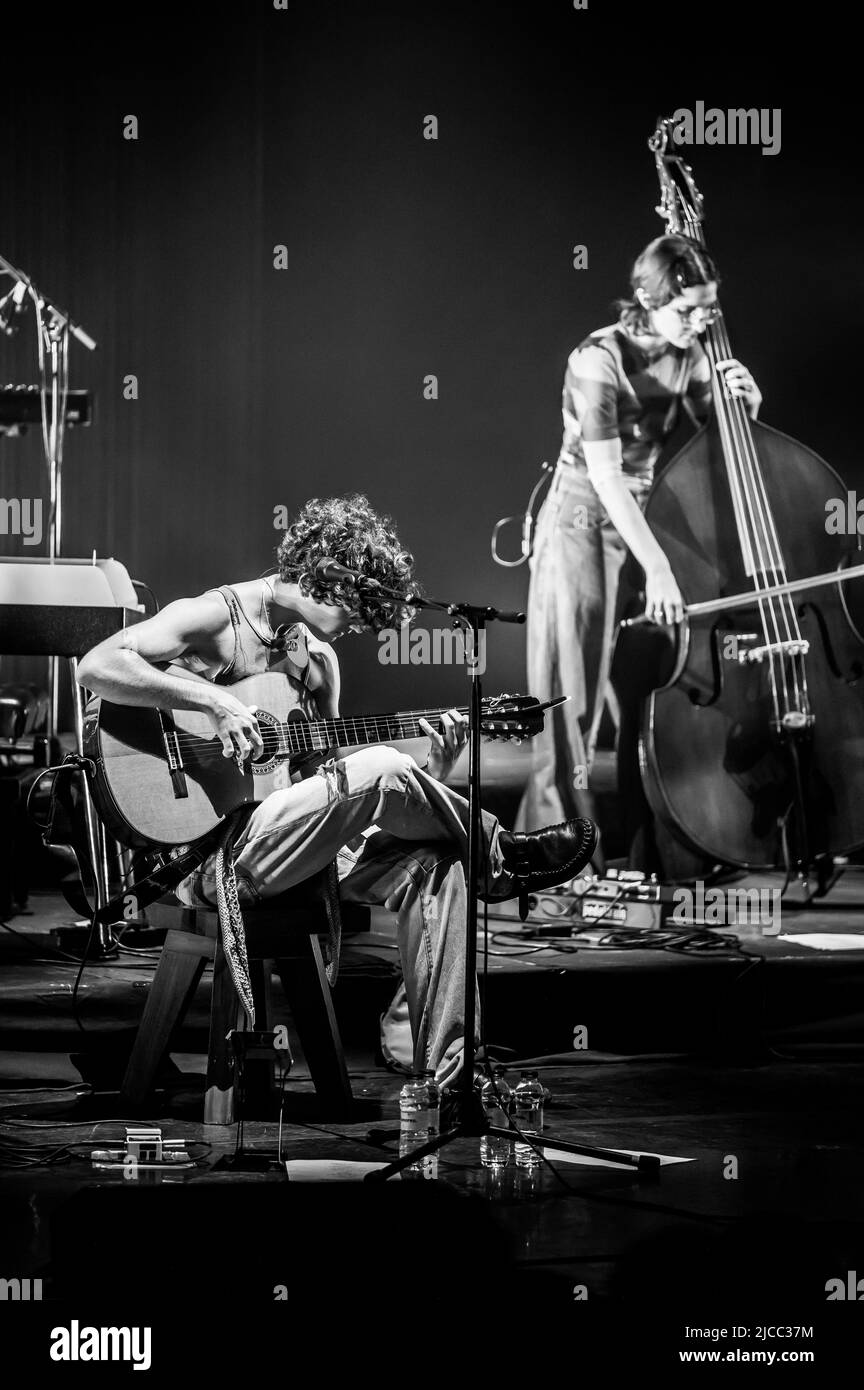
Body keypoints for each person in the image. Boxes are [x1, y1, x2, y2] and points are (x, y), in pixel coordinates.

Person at [77, 494, 598, 1088]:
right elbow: (95, 666)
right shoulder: (214, 617)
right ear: (325, 581)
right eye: (354, 613)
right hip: (209, 854)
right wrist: (215, 702)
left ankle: (444, 1076)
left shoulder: (318, 662)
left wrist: (441, 768)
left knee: (439, 864)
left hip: (292, 848)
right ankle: (501, 855)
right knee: (381, 764)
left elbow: (334, 791)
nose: (355, 629)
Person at [516, 235, 762, 867]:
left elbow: (721, 436)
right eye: (688, 311)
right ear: (649, 300)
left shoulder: (694, 350)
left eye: (709, 310)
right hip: (583, 516)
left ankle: (651, 850)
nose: (702, 323)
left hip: (643, 515)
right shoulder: (597, 358)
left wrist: (747, 406)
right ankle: (556, 864)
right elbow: (605, 476)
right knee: (570, 697)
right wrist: (658, 567)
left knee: (647, 685)